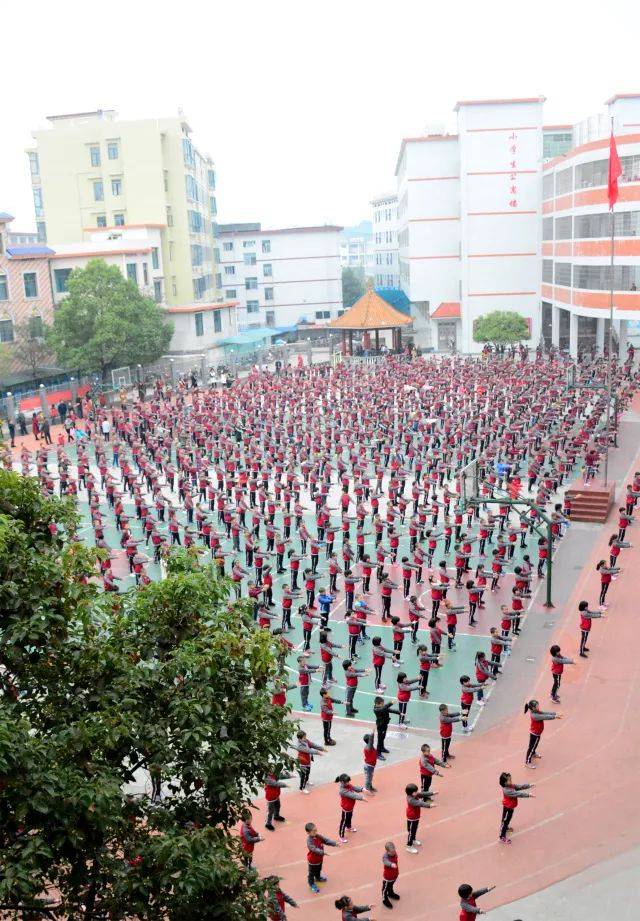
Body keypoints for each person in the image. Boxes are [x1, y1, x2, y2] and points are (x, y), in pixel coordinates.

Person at [524, 699, 562, 767]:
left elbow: (544, 713)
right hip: (534, 734)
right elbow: (544, 717)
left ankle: (533, 753)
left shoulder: (536, 711)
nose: (538, 706)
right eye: (537, 706)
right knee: (531, 747)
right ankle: (527, 762)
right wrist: (554, 717)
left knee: (535, 745)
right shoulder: (534, 715)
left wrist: (554, 713)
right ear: (533, 708)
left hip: (537, 733)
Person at [498, 771, 534, 844]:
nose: (511, 781)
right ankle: (502, 837)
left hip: (511, 807)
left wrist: (528, 785)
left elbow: (519, 787)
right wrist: (528, 795)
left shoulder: (510, 785)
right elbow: (518, 794)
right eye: (509, 780)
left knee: (507, 819)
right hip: (508, 807)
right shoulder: (507, 791)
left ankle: (506, 827)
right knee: (505, 821)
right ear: (505, 783)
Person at [305, 821, 338, 893]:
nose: (315, 832)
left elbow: (326, 840)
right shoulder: (309, 841)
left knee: (319, 869)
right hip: (313, 861)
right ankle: (311, 884)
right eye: (313, 831)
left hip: (319, 859)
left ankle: (318, 878)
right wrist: (322, 852)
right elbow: (313, 849)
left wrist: (334, 843)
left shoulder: (318, 836)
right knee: (311, 873)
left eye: (316, 830)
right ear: (308, 832)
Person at [405, 782, 436, 853]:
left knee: (414, 829)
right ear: (411, 793)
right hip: (412, 817)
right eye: (415, 791)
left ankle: (413, 839)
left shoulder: (414, 795)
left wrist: (432, 793)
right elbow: (420, 803)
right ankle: (409, 846)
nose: (417, 792)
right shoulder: (411, 800)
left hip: (416, 816)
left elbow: (423, 794)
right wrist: (429, 805)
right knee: (411, 832)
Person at [336, 773, 367, 843]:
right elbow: (352, 795)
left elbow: (354, 788)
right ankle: (341, 836)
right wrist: (362, 798)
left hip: (350, 807)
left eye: (348, 781)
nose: (348, 783)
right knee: (343, 822)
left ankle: (349, 827)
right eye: (346, 782)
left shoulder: (348, 785)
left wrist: (362, 789)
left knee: (349, 818)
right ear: (342, 782)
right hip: (346, 809)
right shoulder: (342, 790)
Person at [374, 696, 400, 760]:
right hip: (381, 726)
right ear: (378, 704)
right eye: (382, 703)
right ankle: (378, 753)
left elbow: (389, 710)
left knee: (383, 737)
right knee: (380, 739)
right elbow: (384, 708)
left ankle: (382, 748)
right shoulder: (377, 709)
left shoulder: (382, 707)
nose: (383, 704)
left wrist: (399, 712)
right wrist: (391, 703)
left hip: (385, 724)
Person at [381, 841, 400, 909]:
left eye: (394, 851)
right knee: (385, 889)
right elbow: (385, 862)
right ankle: (384, 899)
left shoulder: (394, 853)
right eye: (391, 852)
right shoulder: (385, 857)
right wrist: (391, 864)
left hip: (394, 875)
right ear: (387, 851)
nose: (393, 853)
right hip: (388, 877)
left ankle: (390, 893)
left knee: (391, 885)